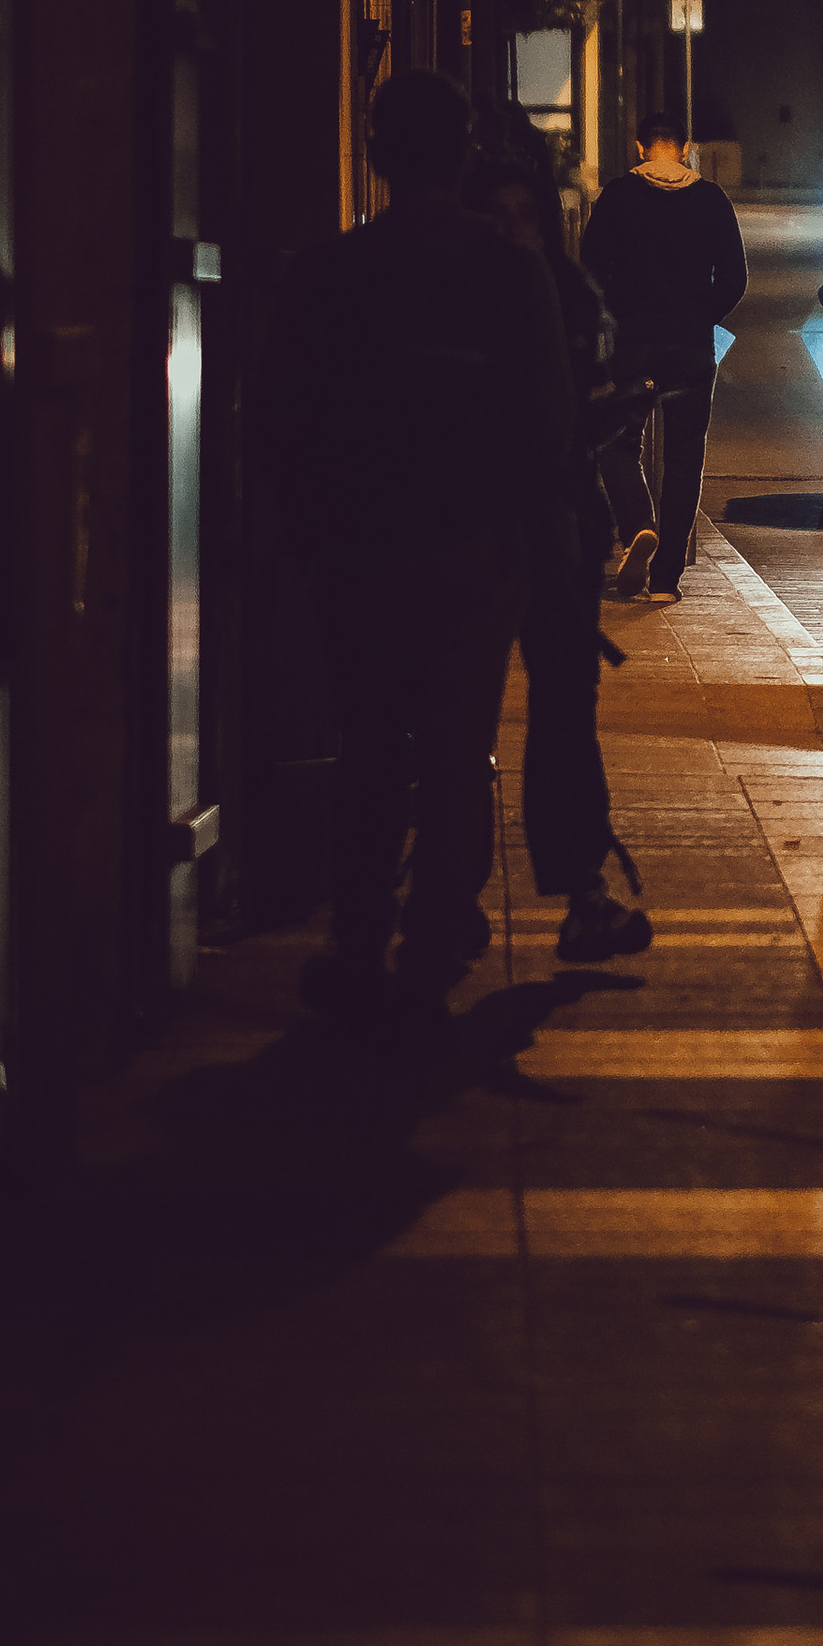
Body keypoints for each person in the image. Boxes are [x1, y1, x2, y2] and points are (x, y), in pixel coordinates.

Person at [254, 67, 574, 1026]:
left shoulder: (329, 274)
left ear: (380, 156)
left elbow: (280, 419)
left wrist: (306, 533)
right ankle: (435, 936)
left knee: (367, 753)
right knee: (454, 752)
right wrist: (528, 535)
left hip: (358, 553)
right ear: (466, 154)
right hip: (472, 551)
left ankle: (357, 938)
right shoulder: (510, 272)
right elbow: (548, 417)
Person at [467, 137, 654, 963]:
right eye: (495, 217)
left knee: (562, 716)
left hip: (556, 531)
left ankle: (581, 890)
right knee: (458, 721)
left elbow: (604, 400)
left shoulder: (571, 297)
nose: (513, 233)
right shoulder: (459, 297)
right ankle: (448, 898)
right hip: (474, 532)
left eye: (525, 217)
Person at [581, 110, 748, 601]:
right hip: (691, 347)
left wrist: (614, 315)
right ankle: (666, 579)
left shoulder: (617, 196)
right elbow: (735, 278)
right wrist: (702, 317)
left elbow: (589, 271)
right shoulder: (711, 199)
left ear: (638, 147)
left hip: (632, 344)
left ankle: (637, 526)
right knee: (683, 457)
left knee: (616, 442)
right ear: (685, 147)